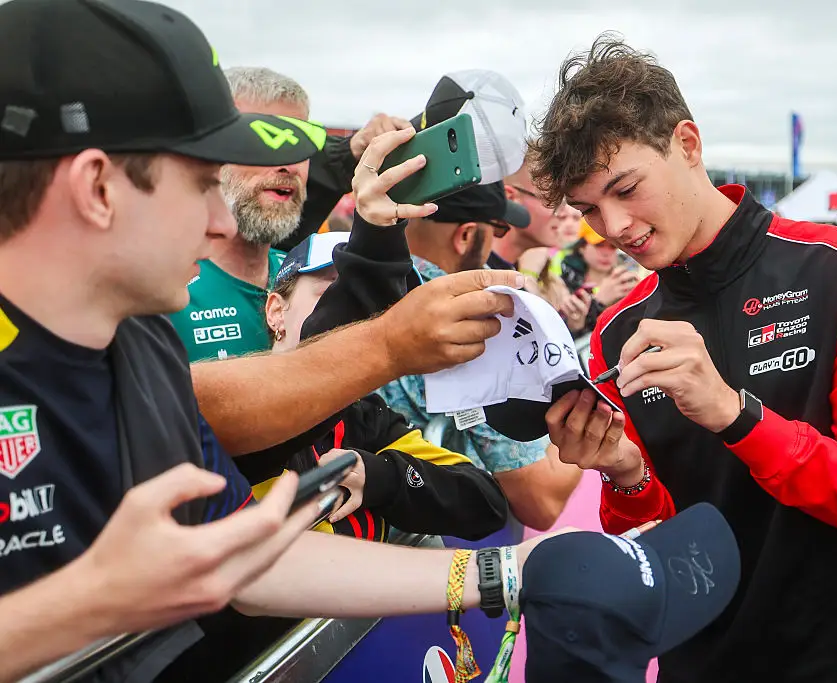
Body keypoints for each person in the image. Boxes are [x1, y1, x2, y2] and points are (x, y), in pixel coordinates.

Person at [0, 1, 548, 679]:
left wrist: (507, 570)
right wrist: (89, 602)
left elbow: (245, 561)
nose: (218, 220)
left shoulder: (141, 347)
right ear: (97, 189)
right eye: (202, 184)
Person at [531, 35, 837, 682]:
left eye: (626, 188)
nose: (615, 225)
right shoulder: (616, 330)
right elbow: (651, 549)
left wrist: (734, 414)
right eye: (588, 210)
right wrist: (626, 473)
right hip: (705, 663)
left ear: (688, 144)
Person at [257, 230, 508, 543]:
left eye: (378, 310)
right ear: (276, 311)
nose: (357, 318)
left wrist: (379, 476)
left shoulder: (363, 415)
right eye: (335, 295)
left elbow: (486, 503)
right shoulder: (242, 406)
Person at [167, 66, 410, 361]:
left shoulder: (310, 277)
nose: (287, 164)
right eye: (262, 139)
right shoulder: (160, 294)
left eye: (299, 143)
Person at [378, 182, 583, 530]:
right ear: (465, 236)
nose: (496, 244)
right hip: (430, 540)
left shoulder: (352, 279)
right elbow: (541, 501)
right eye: (497, 230)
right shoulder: (468, 325)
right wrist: (588, 417)